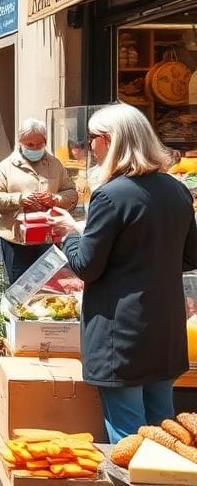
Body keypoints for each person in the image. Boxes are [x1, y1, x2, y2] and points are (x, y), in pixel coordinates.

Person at [47, 104, 197, 442]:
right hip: (166, 330)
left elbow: (86, 265)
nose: (90, 147)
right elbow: (189, 257)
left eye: (93, 139)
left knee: (129, 437)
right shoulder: (176, 190)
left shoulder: (110, 195)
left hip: (122, 333)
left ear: (111, 141)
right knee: (166, 434)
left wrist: (70, 233)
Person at [0, 118, 78, 283]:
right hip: (15, 239)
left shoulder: (55, 164)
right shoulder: (6, 166)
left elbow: (72, 193)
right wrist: (20, 199)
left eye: (39, 144)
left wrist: (55, 199)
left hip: (48, 237)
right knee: (19, 285)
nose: (35, 148)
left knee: (47, 285)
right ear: (20, 142)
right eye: (30, 145)